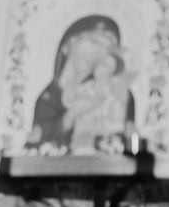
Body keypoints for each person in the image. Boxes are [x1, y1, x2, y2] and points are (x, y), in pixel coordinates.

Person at [26, 15, 135, 154]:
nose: (100, 52)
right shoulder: (47, 99)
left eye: (108, 49)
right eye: (95, 42)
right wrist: (70, 117)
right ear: (70, 44)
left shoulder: (116, 93)